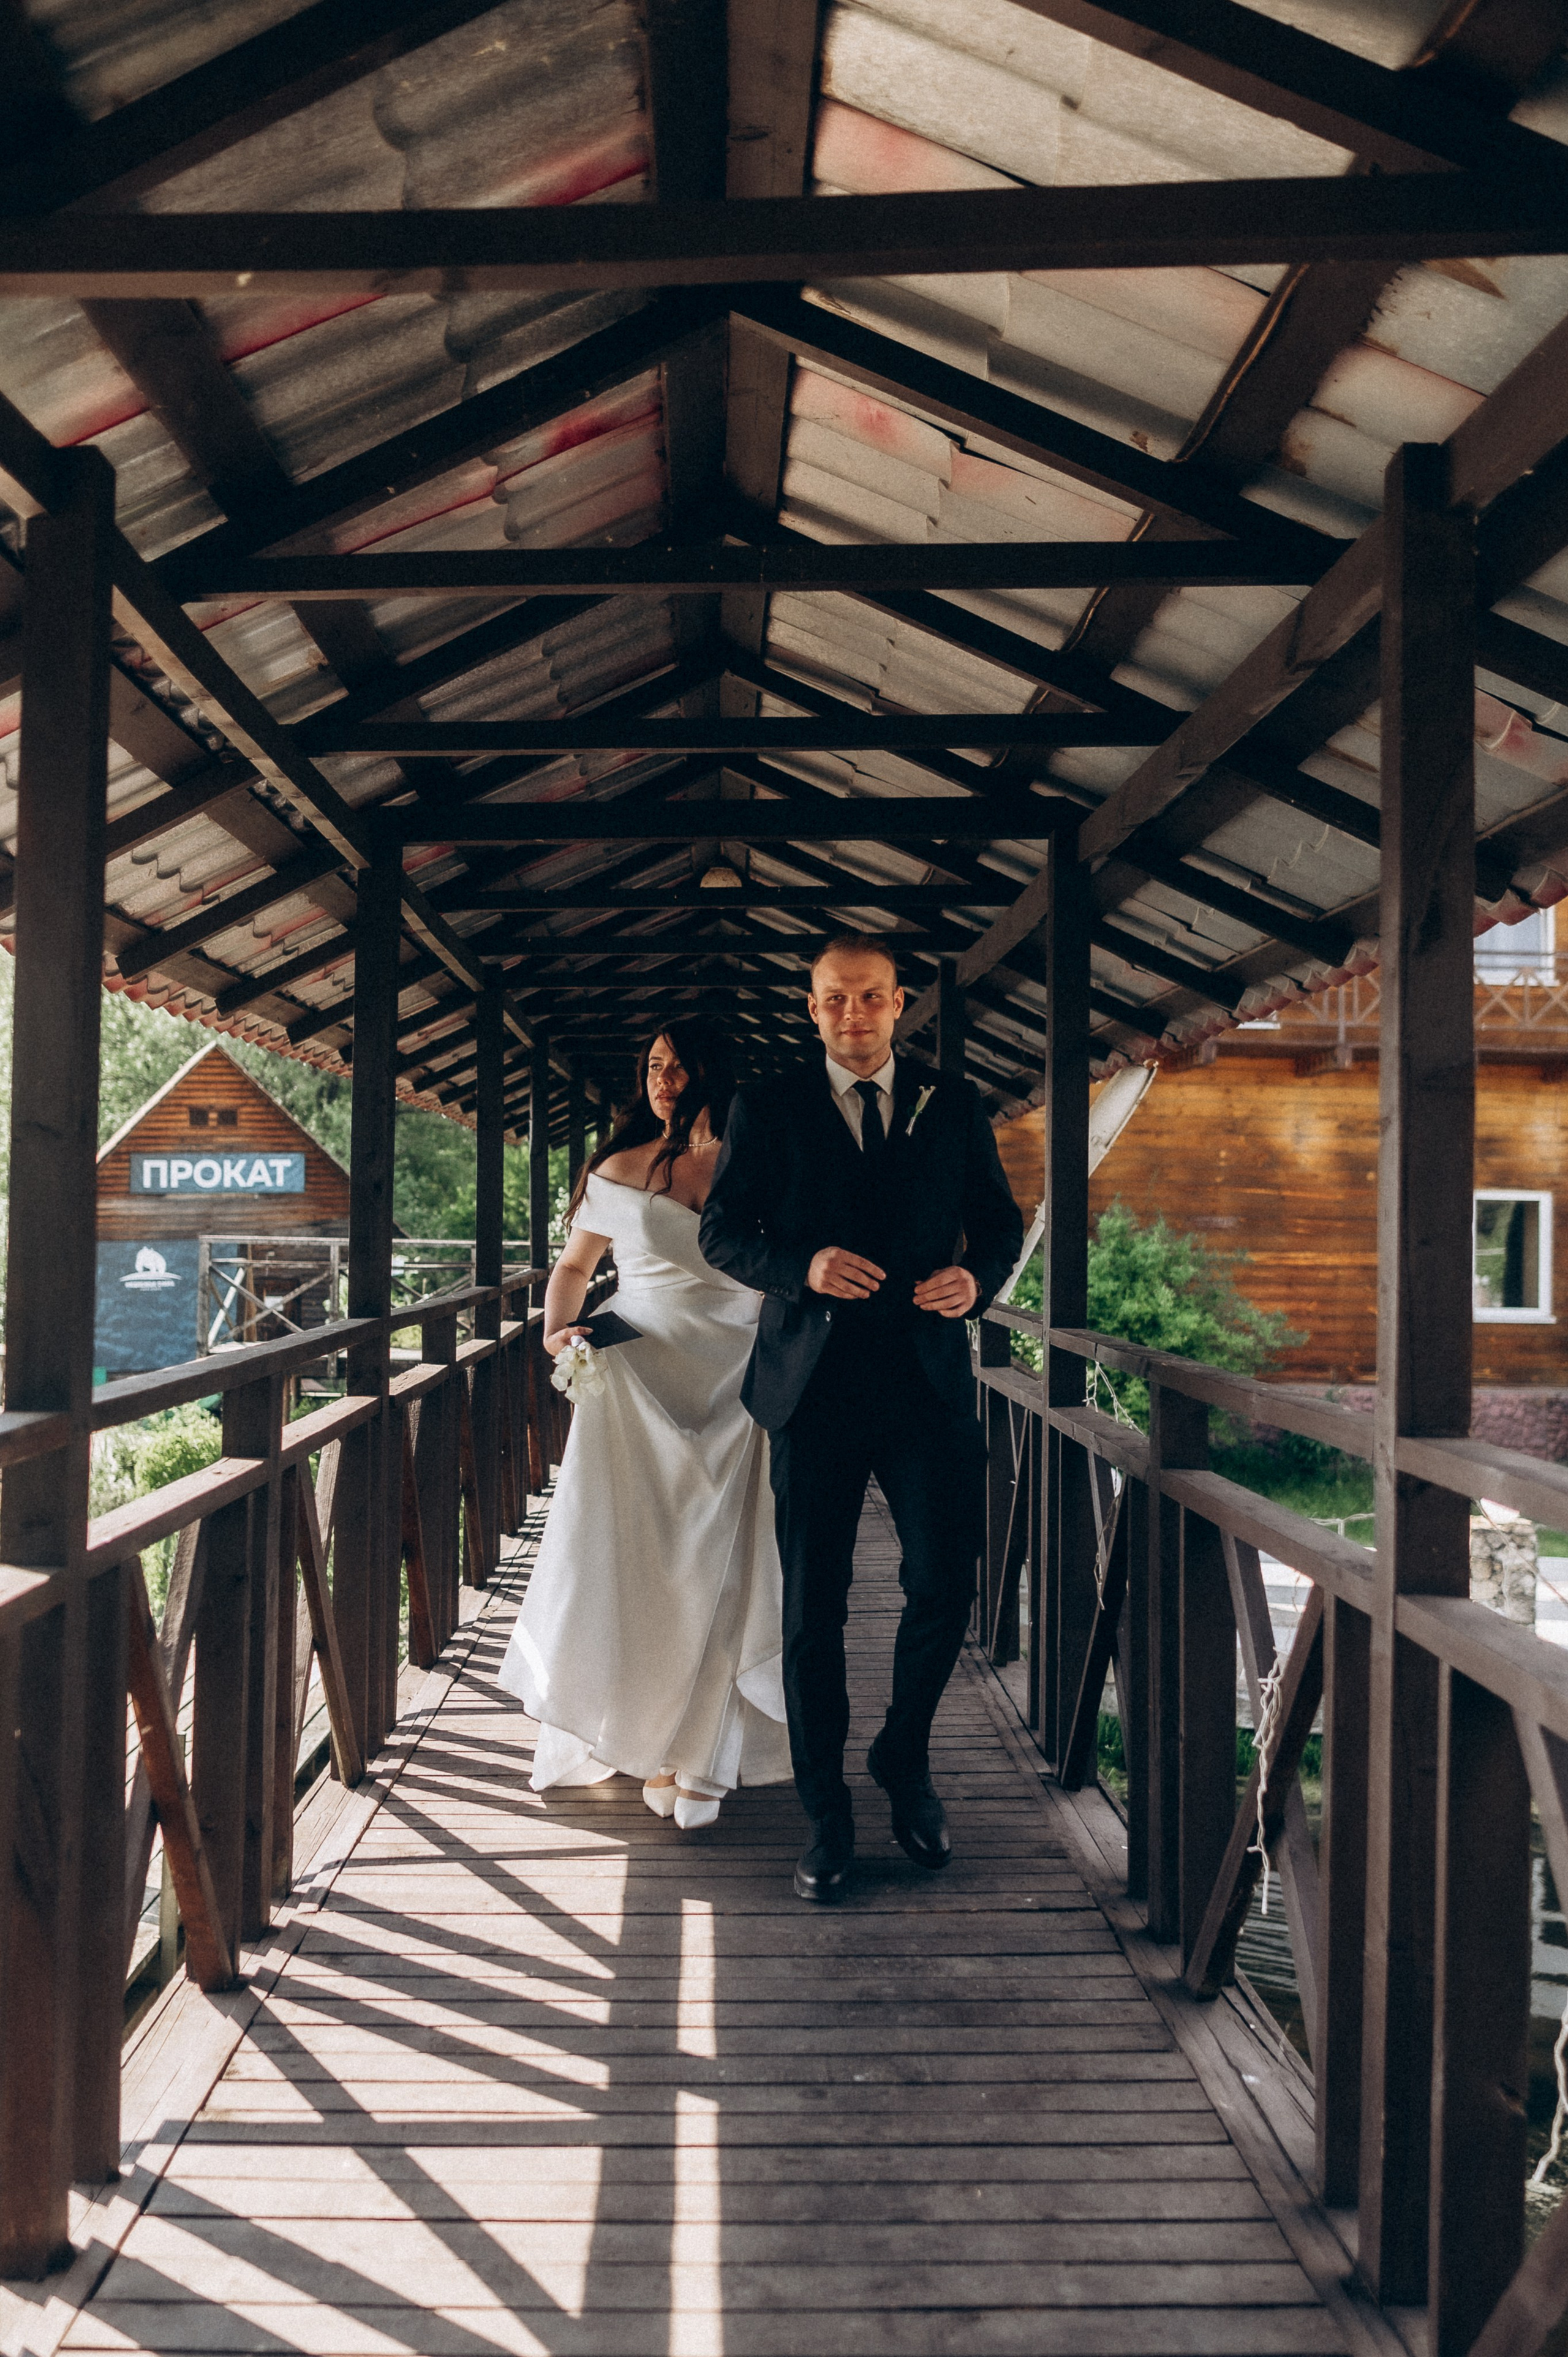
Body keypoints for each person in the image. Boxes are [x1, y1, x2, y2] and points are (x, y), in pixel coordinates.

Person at [699, 936, 1023, 1901]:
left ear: (899, 1003)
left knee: (942, 1585)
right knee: (815, 1609)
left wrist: (980, 1279)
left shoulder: (953, 1102)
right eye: (835, 1000)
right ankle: (825, 1814)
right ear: (812, 1008)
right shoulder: (770, 1106)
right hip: (815, 1389)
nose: (854, 1014)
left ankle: (904, 1760)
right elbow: (723, 1230)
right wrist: (798, 1266)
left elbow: (999, 1222)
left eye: (871, 998)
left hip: (926, 1385)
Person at [497, 1018, 791, 1829]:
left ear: (712, 1070)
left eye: (678, 1063)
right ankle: (651, 1744)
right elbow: (573, 1269)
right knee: (638, 1559)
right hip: (638, 1371)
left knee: (725, 1564)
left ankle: (702, 1753)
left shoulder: (757, 1162)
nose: (663, 1078)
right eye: (654, 1065)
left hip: (739, 1374)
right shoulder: (618, 1168)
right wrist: (559, 1333)